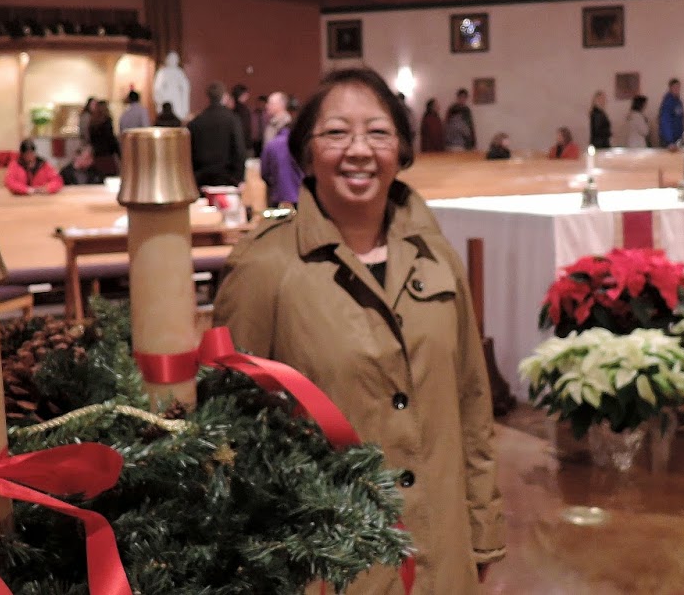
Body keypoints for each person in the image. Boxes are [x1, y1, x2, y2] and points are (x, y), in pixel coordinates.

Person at [215, 67, 505, 592]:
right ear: (306, 153)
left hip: (441, 551)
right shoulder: (264, 267)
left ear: (400, 150)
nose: (359, 150)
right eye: (336, 133)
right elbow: (232, 432)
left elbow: (471, 401)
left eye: (377, 132)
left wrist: (482, 530)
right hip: (331, 567)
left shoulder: (435, 255)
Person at [189, 82, 247, 187]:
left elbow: (190, 152)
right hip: (227, 178)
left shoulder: (196, 122)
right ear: (224, 97)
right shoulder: (232, 120)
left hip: (202, 178)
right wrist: (239, 178)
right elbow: (239, 150)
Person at [259, 105, 303, 207]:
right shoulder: (301, 144)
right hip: (300, 196)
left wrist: (273, 184)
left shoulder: (271, 145)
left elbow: (264, 173)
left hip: (277, 196)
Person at [152, 51, 191, 121]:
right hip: (166, 98)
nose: (172, 61)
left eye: (174, 59)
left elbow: (185, 87)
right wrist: (160, 98)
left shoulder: (179, 72)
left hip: (176, 98)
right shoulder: (162, 72)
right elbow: (157, 88)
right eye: (171, 59)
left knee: (177, 116)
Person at [87, 99, 121, 176]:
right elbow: (110, 139)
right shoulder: (107, 121)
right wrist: (118, 152)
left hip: (97, 155)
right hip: (107, 154)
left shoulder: (92, 122)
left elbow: (91, 139)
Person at [657, 79, 684, 148]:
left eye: (678, 87)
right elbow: (665, 121)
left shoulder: (678, 101)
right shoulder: (668, 102)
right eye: (675, 87)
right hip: (670, 140)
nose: (677, 89)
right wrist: (670, 141)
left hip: (677, 138)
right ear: (670, 88)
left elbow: (679, 119)